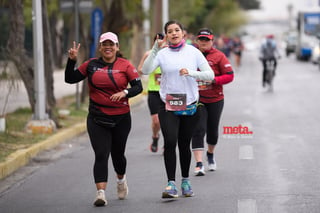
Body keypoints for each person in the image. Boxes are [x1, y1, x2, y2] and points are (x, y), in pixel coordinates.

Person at [65, 32, 143, 207]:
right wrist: (71, 61)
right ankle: (100, 193)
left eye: (111, 44)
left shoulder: (125, 65)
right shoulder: (91, 65)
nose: (108, 47)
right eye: (104, 44)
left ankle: (121, 180)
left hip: (121, 118)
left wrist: (124, 92)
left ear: (117, 47)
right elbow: (70, 79)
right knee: (101, 154)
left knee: (118, 155)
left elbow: (138, 87)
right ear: (100, 47)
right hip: (97, 118)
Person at [141, 20, 215, 199]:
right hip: (167, 103)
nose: (174, 33)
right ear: (166, 35)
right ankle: (171, 184)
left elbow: (210, 75)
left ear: (183, 33)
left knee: (183, 144)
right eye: (170, 31)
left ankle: (185, 181)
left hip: (189, 104)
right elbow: (145, 70)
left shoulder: (193, 52)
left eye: (177, 30)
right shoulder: (162, 53)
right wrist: (156, 49)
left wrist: (191, 73)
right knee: (171, 141)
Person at [191, 28, 234, 176]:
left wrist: (214, 80)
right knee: (198, 129)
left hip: (215, 99)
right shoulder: (191, 55)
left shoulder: (219, 56)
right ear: (197, 41)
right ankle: (198, 163)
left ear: (212, 41)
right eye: (201, 40)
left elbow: (229, 75)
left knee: (212, 131)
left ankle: (210, 154)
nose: (203, 42)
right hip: (197, 99)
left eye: (206, 40)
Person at [137, 33, 165, 153]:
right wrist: (148, 68)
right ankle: (155, 137)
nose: (159, 42)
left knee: (167, 120)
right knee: (156, 121)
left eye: (161, 40)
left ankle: (167, 144)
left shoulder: (169, 54)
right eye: (157, 40)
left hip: (167, 93)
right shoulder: (149, 54)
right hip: (153, 92)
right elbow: (140, 70)